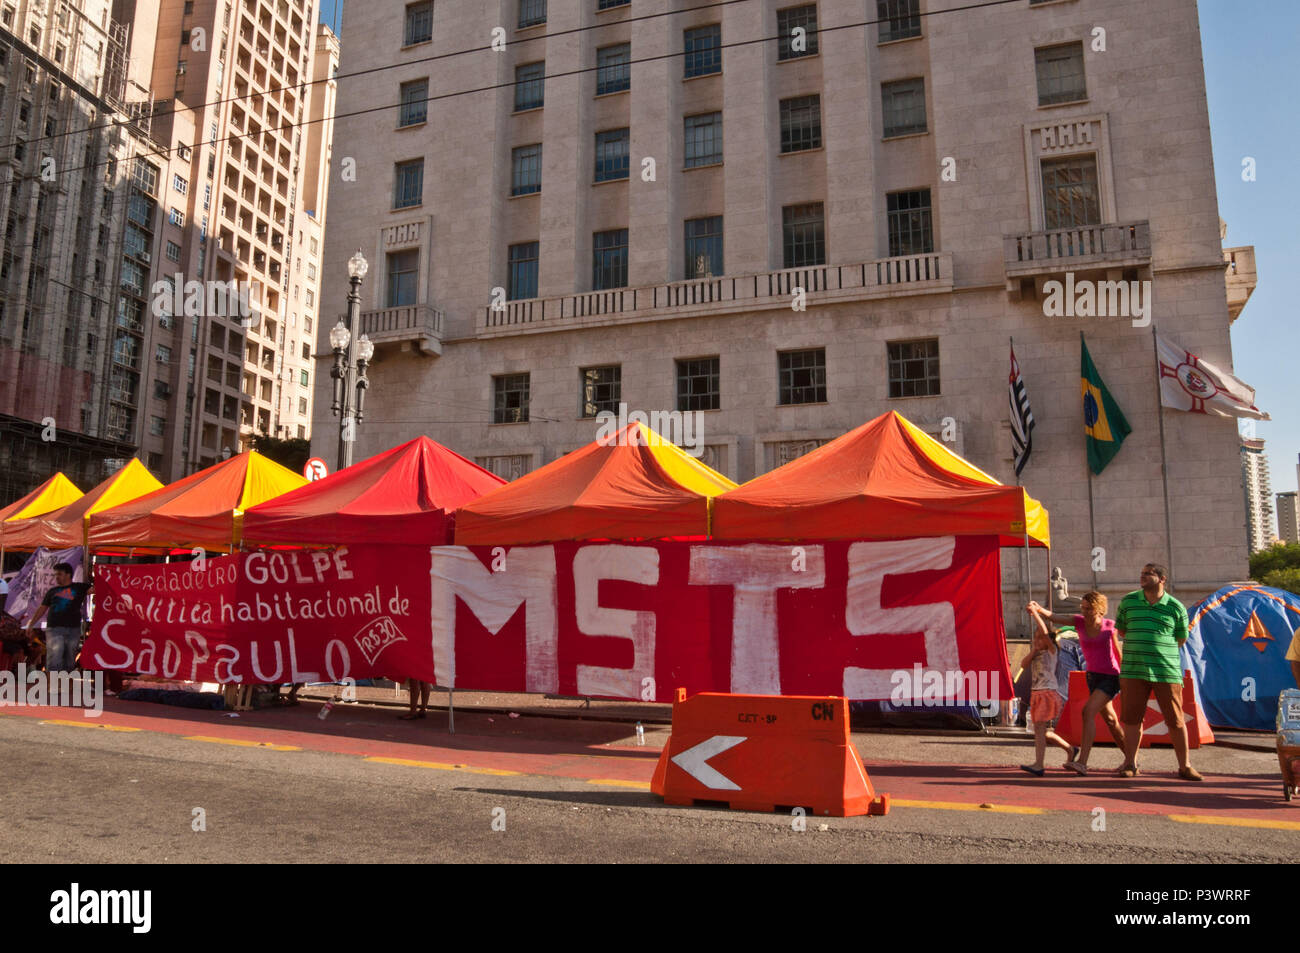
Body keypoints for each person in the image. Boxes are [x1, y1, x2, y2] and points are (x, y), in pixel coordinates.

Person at [1114, 563, 1201, 781]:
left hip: (1167, 672)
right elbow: (1122, 630)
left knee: (1176, 720)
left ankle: (1185, 766)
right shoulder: (1128, 601)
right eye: (1141, 573)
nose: (1142, 577)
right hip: (1133, 670)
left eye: (1148, 574)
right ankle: (1130, 763)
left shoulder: (1176, 607)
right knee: (1132, 719)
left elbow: (1181, 638)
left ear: (1162, 579)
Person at [1030, 593, 1125, 775]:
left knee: (1087, 712)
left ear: (1099, 610)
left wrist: (1125, 679)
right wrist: (1038, 609)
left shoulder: (1110, 628)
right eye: (1083, 607)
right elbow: (1054, 617)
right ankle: (1131, 760)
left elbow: (1118, 655)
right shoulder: (1079, 622)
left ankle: (1082, 762)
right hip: (1093, 677)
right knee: (1111, 721)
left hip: (1110, 677)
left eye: (1089, 608)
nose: (1085, 611)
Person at [1020, 609, 1072, 776]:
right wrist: (1034, 650)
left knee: (1040, 728)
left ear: (1048, 639)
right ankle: (1070, 749)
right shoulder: (1036, 654)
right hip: (1036, 693)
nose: (1037, 640)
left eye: (1040, 638)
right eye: (1035, 638)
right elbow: (1023, 664)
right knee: (1041, 731)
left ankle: (1039, 764)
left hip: (1047, 692)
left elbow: (1044, 630)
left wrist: (1036, 614)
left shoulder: (1052, 652)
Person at [25, 563, 92, 674]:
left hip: (73, 628)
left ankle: (63, 685)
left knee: (70, 659)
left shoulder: (80, 587)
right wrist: (31, 624)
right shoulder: (52, 591)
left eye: (59, 574)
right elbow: (42, 608)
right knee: (55, 657)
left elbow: (96, 590)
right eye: (56, 575)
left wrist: (92, 574)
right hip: (54, 628)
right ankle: (52, 686)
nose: (57, 577)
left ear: (68, 575)